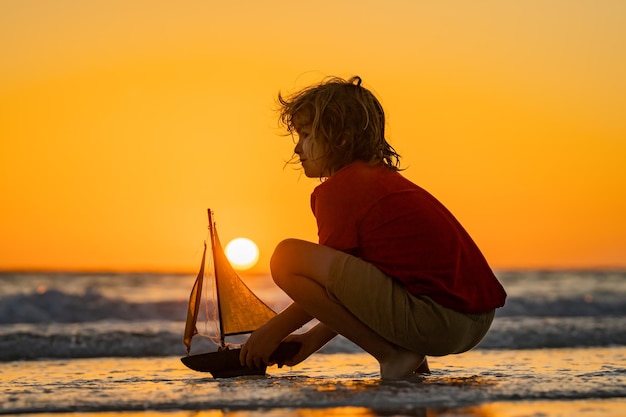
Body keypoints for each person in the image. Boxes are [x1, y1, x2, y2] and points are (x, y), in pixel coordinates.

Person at [240, 75, 507, 380]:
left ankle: (393, 355)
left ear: (340, 139)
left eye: (304, 135)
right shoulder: (379, 181)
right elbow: (355, 291)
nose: (297, 149)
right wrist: (311, 341)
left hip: (437, 320)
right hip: (473, 320)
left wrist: (271, 331)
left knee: (286, 257)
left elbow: (331, 287)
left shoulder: (341, 190)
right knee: (362, 270)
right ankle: (411, 363)